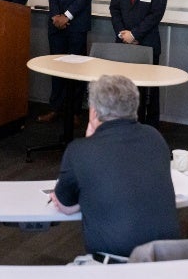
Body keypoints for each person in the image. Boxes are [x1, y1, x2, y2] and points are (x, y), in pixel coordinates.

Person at [48, 74, 180, 261]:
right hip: (167, 261)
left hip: (117, 267)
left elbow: (65, 206)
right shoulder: (155, 137)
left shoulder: (80, 150)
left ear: (94, 112)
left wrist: (89, 140)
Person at [109, 0, 169, 125]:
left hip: (147, 44)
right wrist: (122, 33)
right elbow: (114, 8)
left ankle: (148, 129)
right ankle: (123, 126)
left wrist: (135, 34)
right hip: (123, 43)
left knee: (147, 91)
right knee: (123, 89)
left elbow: (156, 14)